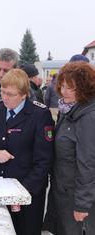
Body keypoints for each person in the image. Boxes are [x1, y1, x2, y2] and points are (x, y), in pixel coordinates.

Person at [0, 69, 54, 235]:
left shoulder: (39, 114)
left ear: (23, 95)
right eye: (3, 92)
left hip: (27, 190)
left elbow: (43, 160)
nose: (5, 97)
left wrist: (22, 192)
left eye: (11, 94)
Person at [43, 61, 95, 235]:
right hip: (63, 193)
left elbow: (88, 164)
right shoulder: (68, 111)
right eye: (62, 85)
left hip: (77, 199)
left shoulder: (88, 117)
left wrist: (82, 204)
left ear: (84, 88)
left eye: (70, 87)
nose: (63, 91)